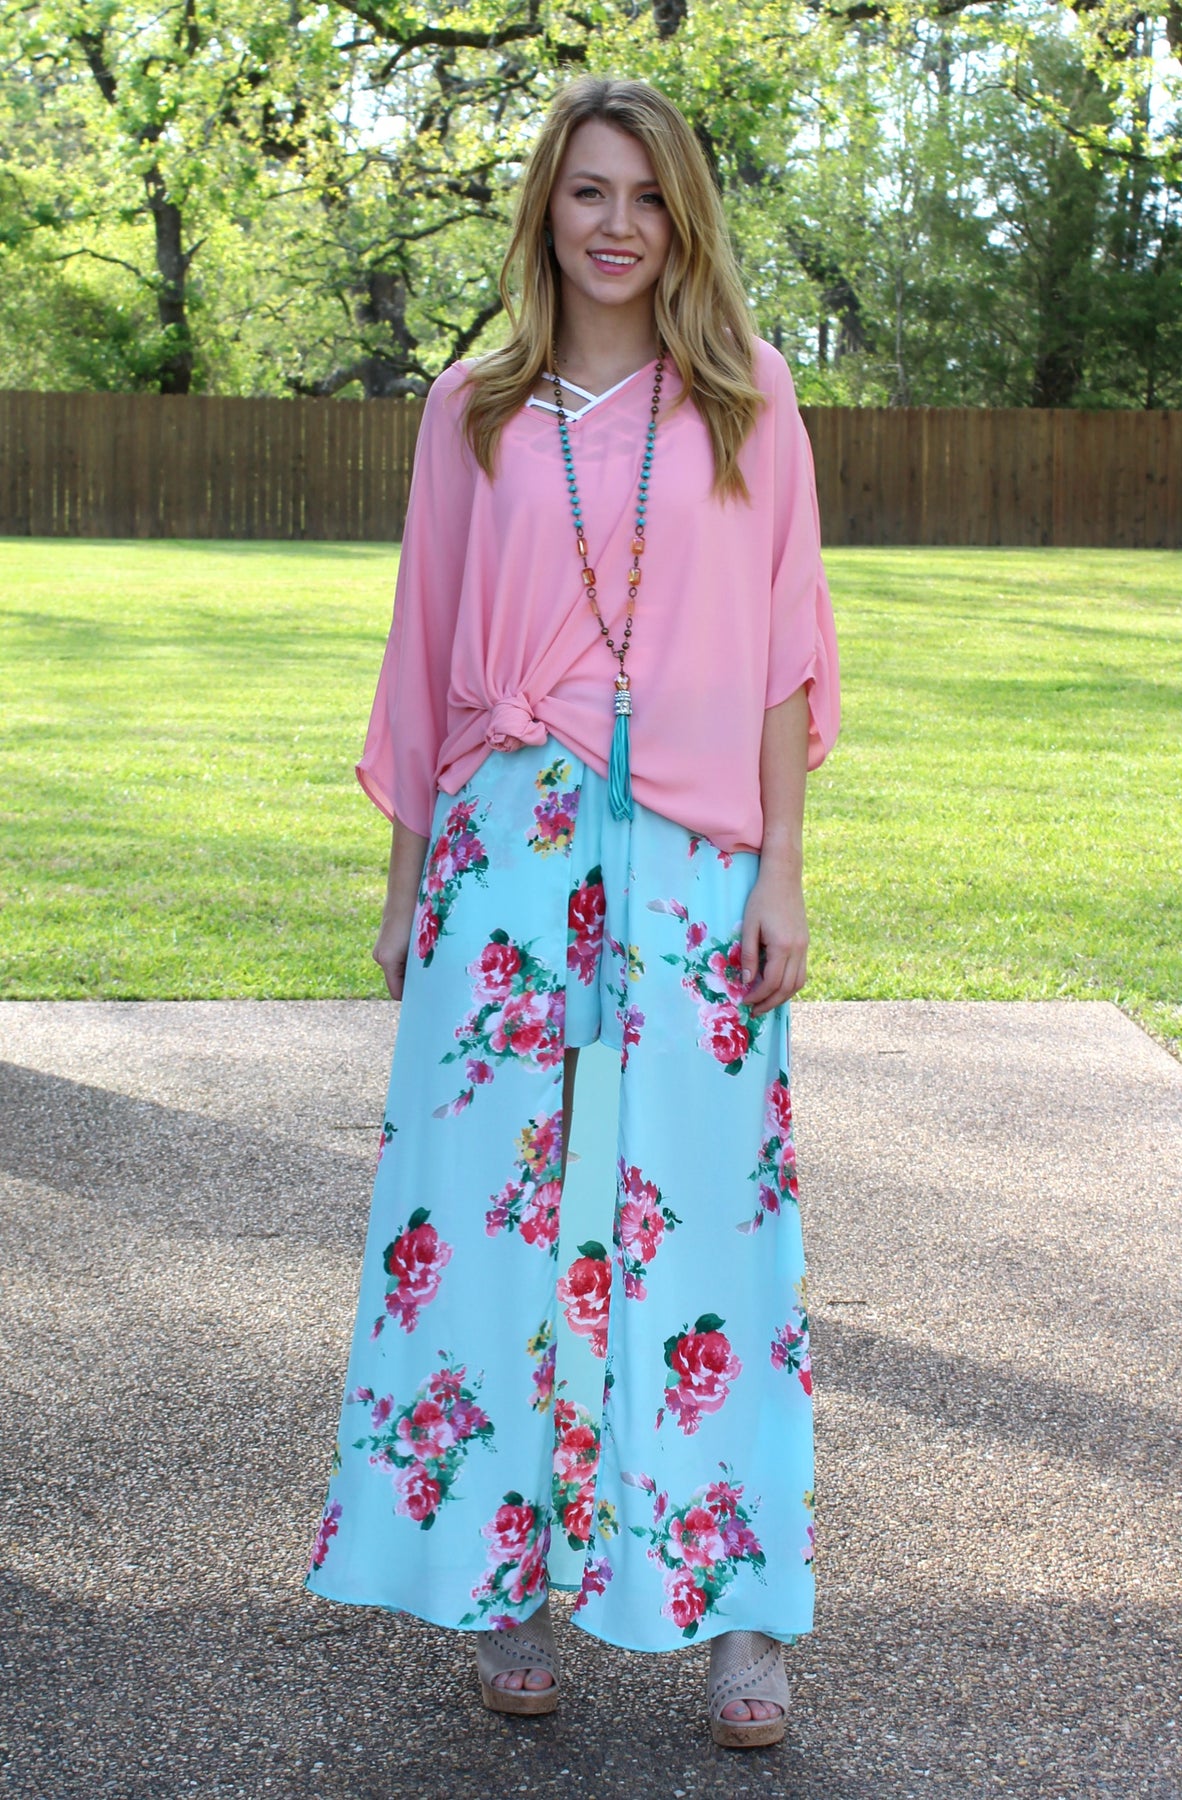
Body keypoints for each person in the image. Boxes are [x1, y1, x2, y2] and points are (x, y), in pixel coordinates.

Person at [305, 73, 839, 1751]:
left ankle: (739, 1616)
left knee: (706, 1219)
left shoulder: (748, 397)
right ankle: (499, 1582)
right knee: (485, 1216)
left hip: (691, 862)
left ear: (686, 219)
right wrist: (404, 891)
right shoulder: (471, 407)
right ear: (547, 204)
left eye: (648, 196)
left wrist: (780, 867)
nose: (618, 225)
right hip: (503, 852)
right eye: (590, 190)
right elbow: (422, 641)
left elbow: (785, 649)